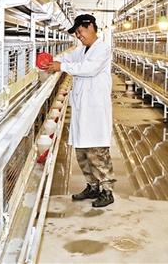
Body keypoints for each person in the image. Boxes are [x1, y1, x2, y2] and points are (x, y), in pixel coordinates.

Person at [43, 14, 115, 207]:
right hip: (82, 108)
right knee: (82, 152)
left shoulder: (102, 49)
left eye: (80, 31)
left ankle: (107, 191)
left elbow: (89, 69)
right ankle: (92, 186)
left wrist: (61, 66)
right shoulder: (82, 50)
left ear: (90, 26)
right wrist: (51, 60)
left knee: (98, 152)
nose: (78, 35)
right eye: (76, 33)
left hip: (95, 109)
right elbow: (66, 57)